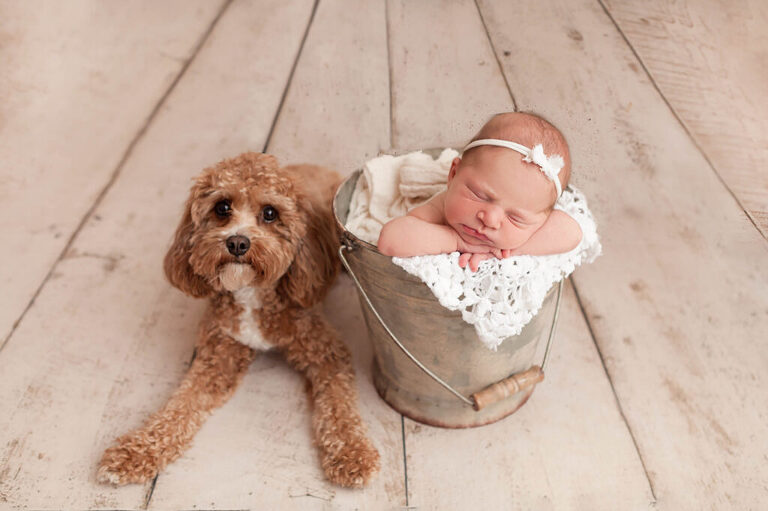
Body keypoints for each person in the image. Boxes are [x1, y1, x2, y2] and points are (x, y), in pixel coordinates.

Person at [377, 112, 583, 271]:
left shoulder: (529, 224)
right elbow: (391, 239)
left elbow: (571, 233)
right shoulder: (440, 208)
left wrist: (503, 252)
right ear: (453, 174)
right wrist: (457, 241)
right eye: (480, 195)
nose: (490, 220)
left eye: (515, 217)